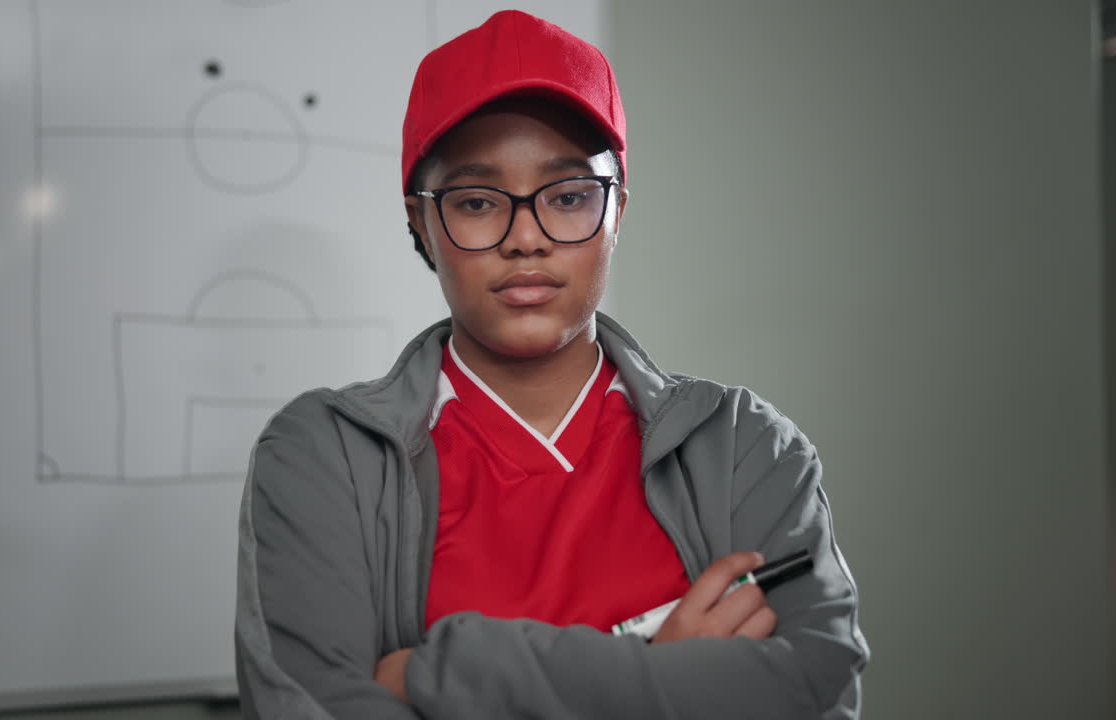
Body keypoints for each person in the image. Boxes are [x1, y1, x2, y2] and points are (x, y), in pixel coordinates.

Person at [235, 9, 869, 719]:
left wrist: (445, 671)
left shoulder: (743, 447)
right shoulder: (326, 455)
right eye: (477, 202)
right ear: (421, 222)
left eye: (569, 197)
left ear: (618, 210)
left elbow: (816, 693)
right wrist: (666, 680)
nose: (527, 237)